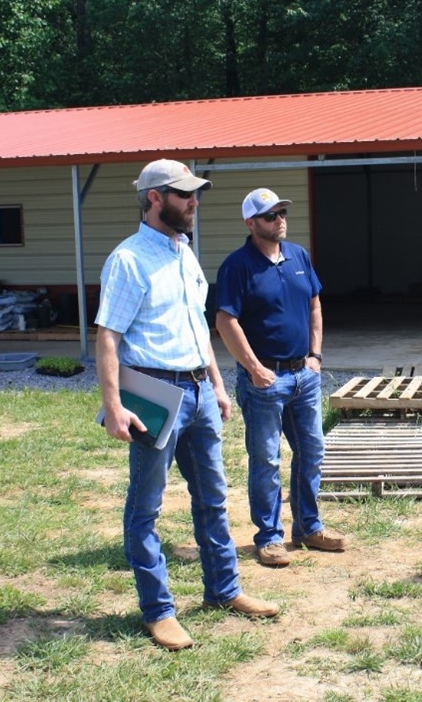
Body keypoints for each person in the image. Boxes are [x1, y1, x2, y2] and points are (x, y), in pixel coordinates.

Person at [95, 160, 278, 652]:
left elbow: (199, 328)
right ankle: (158, 612)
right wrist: (113, 405)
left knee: (213, 498)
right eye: (184, 195)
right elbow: (108, 336)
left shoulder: (184, 254)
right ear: (155, 198)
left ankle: (224, 590)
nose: (194, 202)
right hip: (152, 394)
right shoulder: (129, 260)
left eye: (196, 194)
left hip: (198, 392)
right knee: (146, 507)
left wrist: (216, 384)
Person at [215, 188, 347, 568]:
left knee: (312, 452)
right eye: (270, 215)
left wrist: (315, 356)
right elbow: (225, 321)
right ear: (251, 223)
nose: (279, 220)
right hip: (264, 382)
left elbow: (314, 305)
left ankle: (307, 527)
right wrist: (255, 369)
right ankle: (269, 537)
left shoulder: (299, 256)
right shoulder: (237, 267)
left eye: (281, 213)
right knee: (266, 460)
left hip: (303, 377)